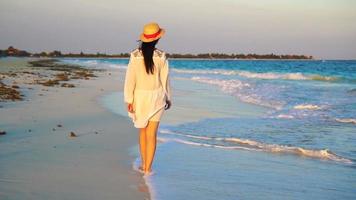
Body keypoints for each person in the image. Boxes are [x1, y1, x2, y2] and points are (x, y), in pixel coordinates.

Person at [124, 22, 172, 175]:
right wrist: (168, 97)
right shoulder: (161, 56)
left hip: (140, 98)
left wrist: (129, 99)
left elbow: (130, 79)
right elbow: (165, 80)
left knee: (143, 133)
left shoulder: (135, 55)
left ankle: (144, 164)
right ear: (157, 39)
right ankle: (147, 168)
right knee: (152, 135)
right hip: (157, 97)